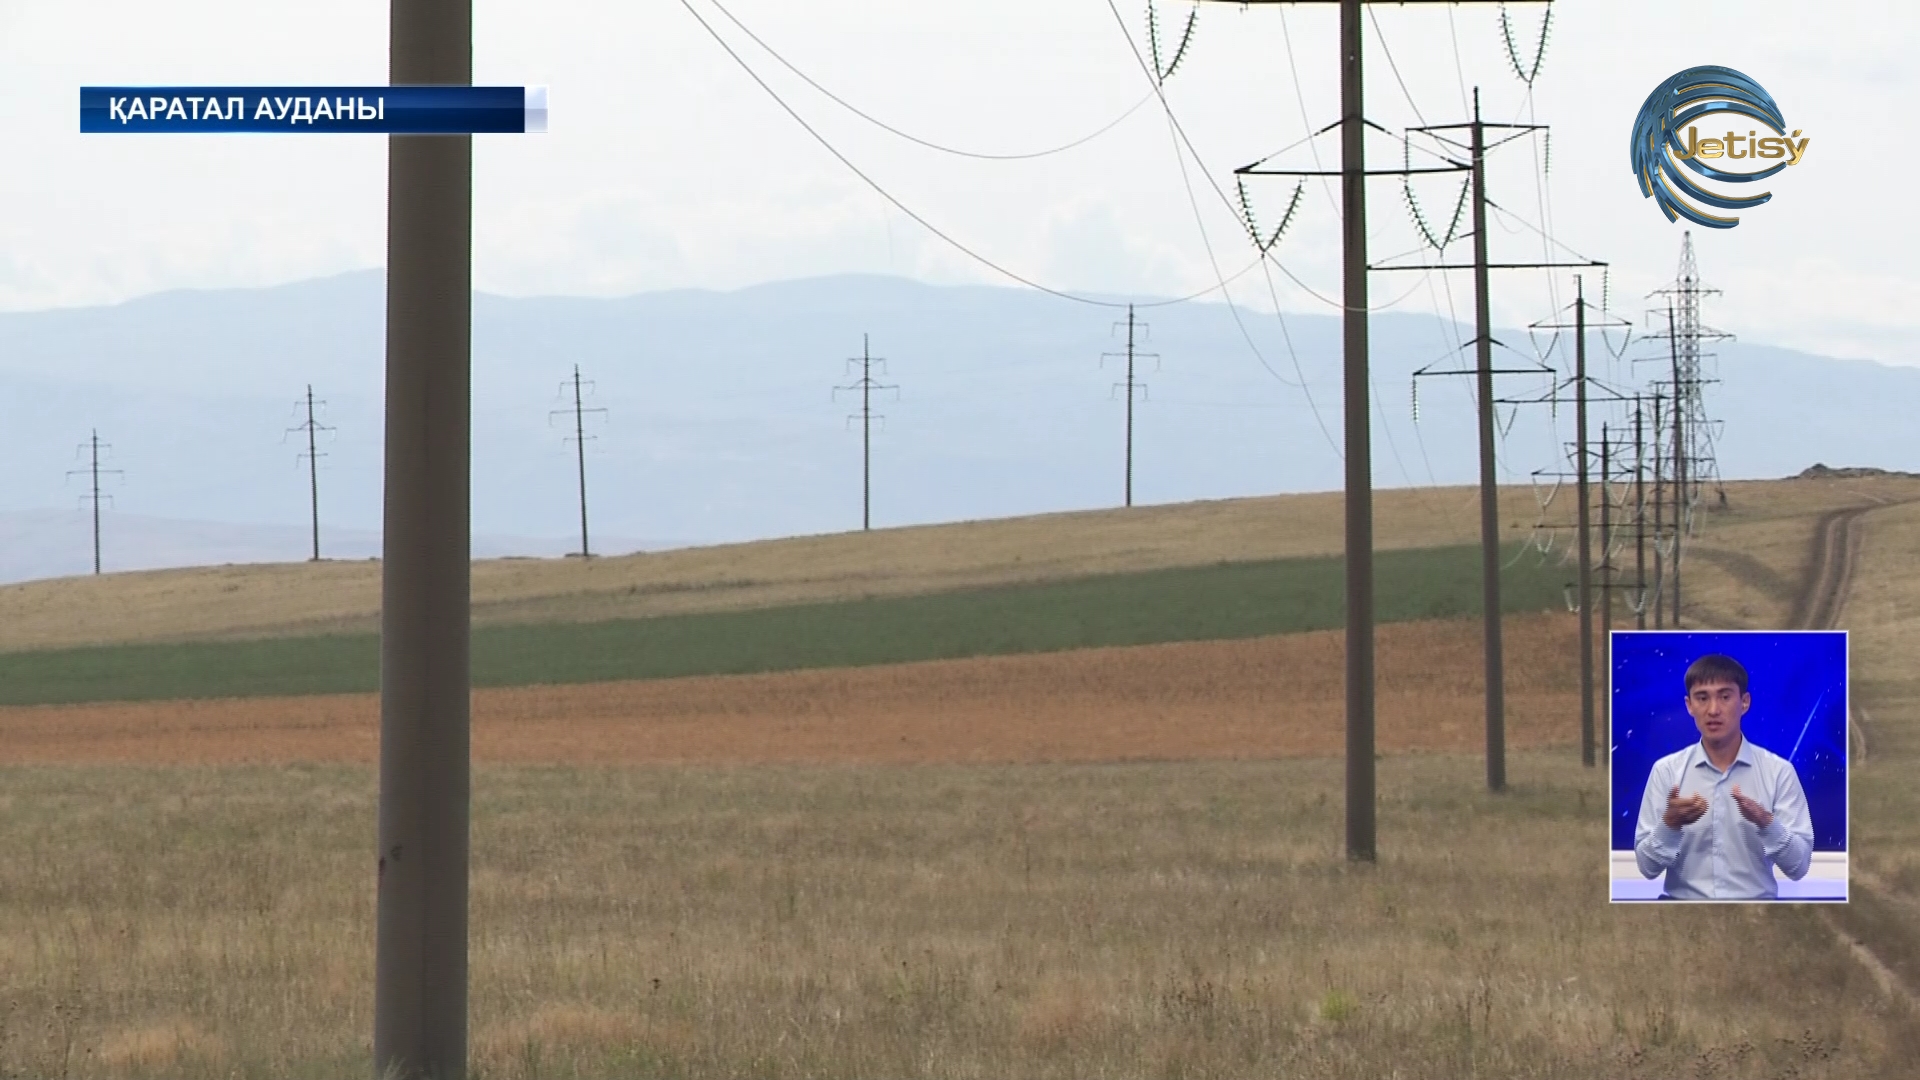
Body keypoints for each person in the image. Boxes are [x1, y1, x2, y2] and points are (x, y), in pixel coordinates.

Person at [1633, 652, 1813, 900]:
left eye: (1725, 697)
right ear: (1689, 706)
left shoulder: (1778, 772)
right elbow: (1647, 868)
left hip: (1757, 915)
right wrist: (1670, 825)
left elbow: (1799, 867)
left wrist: (1766, 822)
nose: (1713, 710)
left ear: (1745, 702)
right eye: (1702, 698)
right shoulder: (1666, 771)